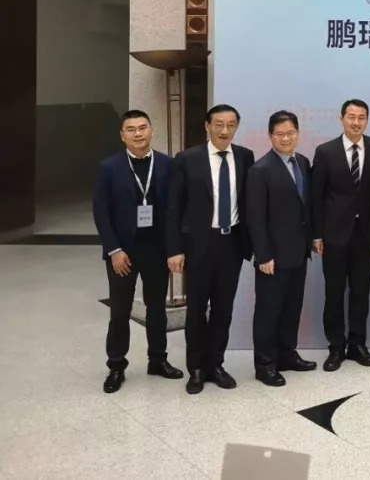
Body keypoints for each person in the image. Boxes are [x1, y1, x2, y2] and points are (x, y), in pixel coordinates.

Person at [92, 110, 183, 393]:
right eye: (131, 129)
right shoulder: (109, 167)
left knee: (157, 309)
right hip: (123, 252)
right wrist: (114, 250)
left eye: (143, 128)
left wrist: (174, 249)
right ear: (122, 136)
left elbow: (174, 210)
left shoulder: (167, 164)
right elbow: (101, 212)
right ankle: (116, 365)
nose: (138, 133)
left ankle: (158, 360)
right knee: (120, 311)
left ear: (151, 131)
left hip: (156, 249)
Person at [167, 104, 254, 394]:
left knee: (223, 308)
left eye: (231, 124)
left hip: (232, 243)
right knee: (196, 309)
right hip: (198, 244)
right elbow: (173, 207)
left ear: (236, 127)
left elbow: (249, 203)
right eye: (218, 124)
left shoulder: (245, 156)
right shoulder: (187, 159)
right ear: (207, 126)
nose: (224, 130)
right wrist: (175, 249)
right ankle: (196, 367)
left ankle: (216, 363)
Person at [311, 99, 370, 371]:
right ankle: (335, 347)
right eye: (351, 117)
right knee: (333, 293)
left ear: (367, 120)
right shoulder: (325, 151)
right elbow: (316, 196)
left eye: (361, 117)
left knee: (360, 292)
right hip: (334, 235)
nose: (356, 122)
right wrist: (317, 235)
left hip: (365, 235)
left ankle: (357, 344)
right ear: (341, 119)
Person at [247, 110, 316, 387]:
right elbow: (255, 217)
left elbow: (305, 207)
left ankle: (287, 355)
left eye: (290, 133)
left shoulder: (303, 162)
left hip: (298, 252)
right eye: (280, 134)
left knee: (291, 308)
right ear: (270, 136)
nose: (286, 138)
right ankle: (265, 364)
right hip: (272, 257)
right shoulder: (260, 170)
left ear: (298, 133)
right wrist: (263, 255)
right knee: (268, 311)